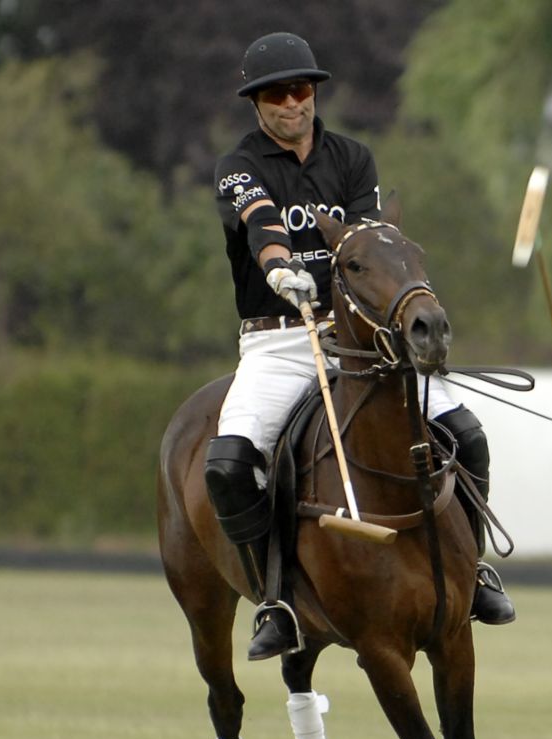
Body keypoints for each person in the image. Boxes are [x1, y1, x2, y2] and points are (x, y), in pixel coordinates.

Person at [209, 32, 514, 661]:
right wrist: (276, 266)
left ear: (314, 93)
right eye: (275, 94)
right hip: (280, 341)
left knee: (468, 432)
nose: (291, 104)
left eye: (301, 90)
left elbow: (369, 241)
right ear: (256, 103)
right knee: (230, 464)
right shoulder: (239, 166)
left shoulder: (352, 159)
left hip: (358, 340)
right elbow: (262, 219)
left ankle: (475, 570)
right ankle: (277, 598)